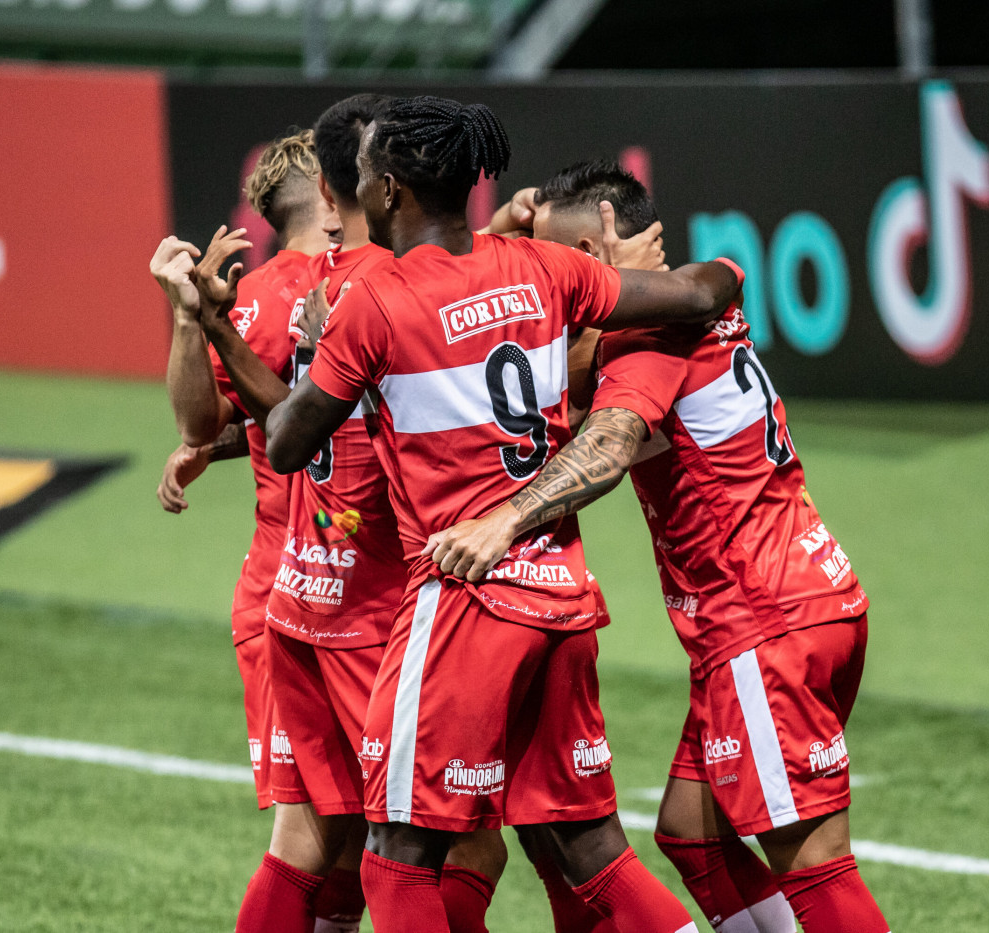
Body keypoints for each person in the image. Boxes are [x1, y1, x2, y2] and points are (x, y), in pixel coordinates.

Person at [251, 95, 741, 933]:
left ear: (393, 191)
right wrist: (725, 273)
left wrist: (326, 350)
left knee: (396, 859)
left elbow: (288, 440)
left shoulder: (374, 300)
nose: (356, 188)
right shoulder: (541, 268)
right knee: (591, 848)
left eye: (367, 173)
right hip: (561, 594)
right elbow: (697, 295)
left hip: (463, 593)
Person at [424, 161, 890, 933]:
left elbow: (605, 445)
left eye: (551, 261)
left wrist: (502, 521)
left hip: (762, 623)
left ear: (591, 249)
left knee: (814, 860)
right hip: (806, 597)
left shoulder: (644, 338)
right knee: (691, 830)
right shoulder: (689, 300)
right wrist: (504, 228)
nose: (542, 283)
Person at [188, 95, 511, 933]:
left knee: (308, 839)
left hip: (299, 595)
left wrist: (211, 330)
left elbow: (286, 424)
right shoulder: (393, 288)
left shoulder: (318, 290)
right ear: (381, 187)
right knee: (460, 849)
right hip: (379, 609)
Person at [150, 129, 367, 933]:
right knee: (318, 834)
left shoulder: (273, 291)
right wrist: (192, 321)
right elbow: (215, 422)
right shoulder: (337, 282)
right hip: (310, 595)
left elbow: (212, 424)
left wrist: (194, 325)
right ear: (330, 183)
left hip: (340, 589)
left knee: (352, 840)